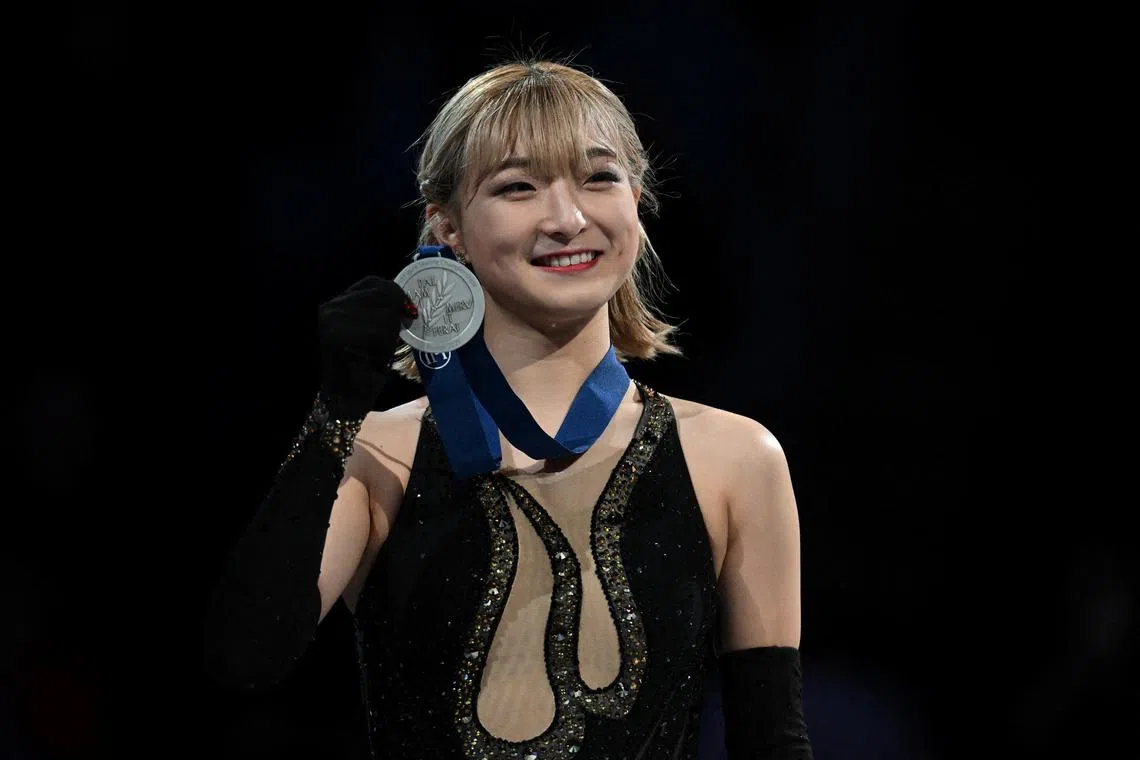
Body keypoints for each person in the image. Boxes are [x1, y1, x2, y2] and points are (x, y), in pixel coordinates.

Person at [201, 58, 813, 759]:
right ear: (448, 226)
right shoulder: (375, 454)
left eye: (599, 177)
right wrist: (335, 413)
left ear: (636, 203)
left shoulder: (736, 458)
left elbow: (772, 740)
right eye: (518, 187)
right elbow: (245, 659)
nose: (567, 218)